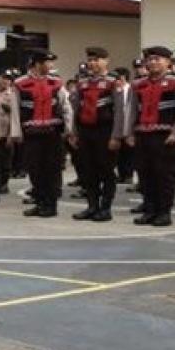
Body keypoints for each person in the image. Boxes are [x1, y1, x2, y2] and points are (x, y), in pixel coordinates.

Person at [122, 46, 175, 226]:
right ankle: (150, 210)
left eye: (158, 59)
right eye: (150, 59)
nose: (153, 63)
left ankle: (164, 212)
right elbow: (131, 111)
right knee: (145, 174)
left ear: (168, 62)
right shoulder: (138, 84)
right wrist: (129, 133)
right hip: (142, 135)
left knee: (164, 176)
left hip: (165, 136)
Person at [11, 51, 73, 218]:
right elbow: (15, 110)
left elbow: (65, 107)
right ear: (37, 64)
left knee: (52, 170)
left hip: (52, 134)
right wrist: (16, 132)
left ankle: (50, 205)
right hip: (32, 134)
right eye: (48, 62)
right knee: (35, 170)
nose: (51, 66)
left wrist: (69, 130)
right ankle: (39, 203)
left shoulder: (56, 83)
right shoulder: (20, 83)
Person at [70, 47, 122, 222]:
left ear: (106, 61)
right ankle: (92, 206)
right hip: (85, 131)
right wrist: (74, 133)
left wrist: (116, 136)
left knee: (106, 170)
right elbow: (75, 109)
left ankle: (105, 208)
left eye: (97, 59)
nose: (93, 63)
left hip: (105, 131)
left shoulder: (114, 81)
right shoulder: (82, 82)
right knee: (87, 170)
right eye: (90, 60)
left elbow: (120, 111)